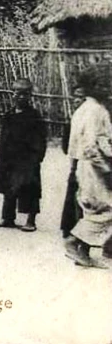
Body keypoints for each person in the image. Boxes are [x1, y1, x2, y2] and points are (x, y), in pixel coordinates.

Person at [64, 66, 112, 268]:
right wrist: (107, 170)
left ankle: (82, 250)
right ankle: (74, 242)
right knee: (106, 209)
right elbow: (91, 146)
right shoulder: (96, 111)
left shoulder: (84, 110)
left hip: (87, 166)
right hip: (94, 167)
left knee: (94, 209)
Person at [0, 78, 47, 232]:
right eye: (17, 93)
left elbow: (40, 139)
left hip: (27, 159)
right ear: (12, 94)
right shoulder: (8, 115)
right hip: (10, 158)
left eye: (25, 94)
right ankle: (8, 218)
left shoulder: (34, 116)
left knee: (29, 187)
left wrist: (37, 157)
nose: (20, 97)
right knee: (8, 187)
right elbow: (4, 138)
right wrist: (2, 157)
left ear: (30, 96)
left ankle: (31, 220)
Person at [60, 86, 86, 239]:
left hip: (89, 161)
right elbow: (66, 146)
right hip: (77, 162)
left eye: (81, 97)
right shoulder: (72, 119)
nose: (77, 100)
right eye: (75, 97)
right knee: (73, 193)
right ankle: (69, 228)